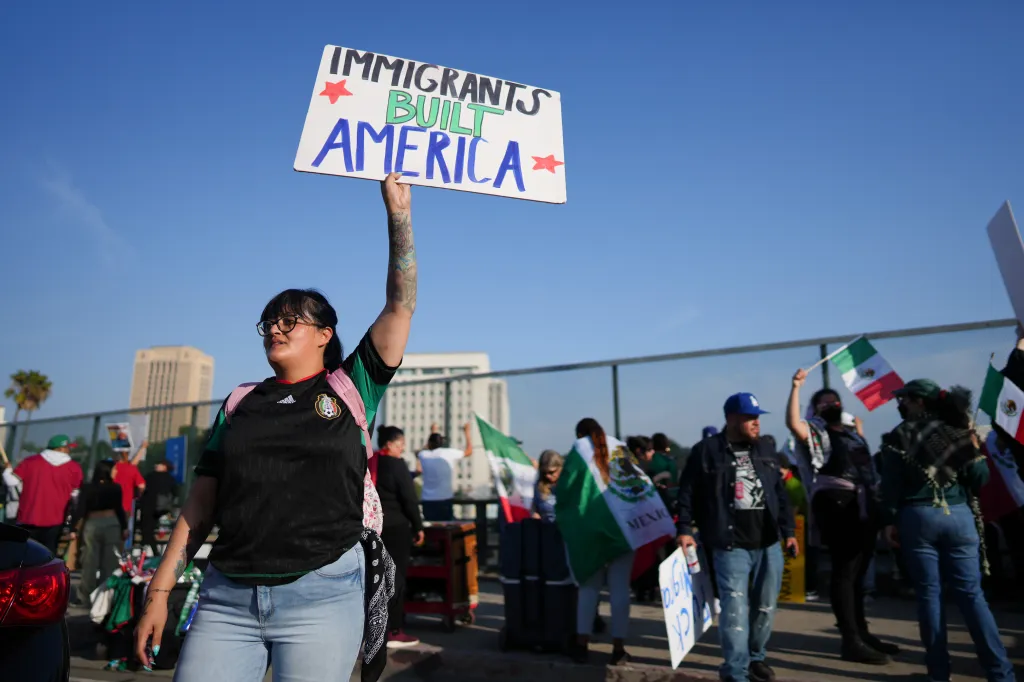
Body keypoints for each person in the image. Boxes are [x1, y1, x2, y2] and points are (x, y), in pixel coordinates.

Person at [135, 173, 416, 682]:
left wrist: (399, 216)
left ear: (325, 335)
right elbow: (200, 504)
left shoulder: (353, 386)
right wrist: (161, 591)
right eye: (271, 322)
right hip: (225, 595)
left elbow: (401, 303)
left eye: (293, 320)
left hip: (324, 593)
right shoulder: (241, 401)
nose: (278, 329)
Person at [881, 380, 1015, 682]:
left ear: (918, 402)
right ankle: (1000, 674)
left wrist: (889, 520)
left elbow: (890, 486)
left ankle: (939, 675)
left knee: (929, 596)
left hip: (917, 518)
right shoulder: (958, 432)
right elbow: (979, 477)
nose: (899, 405)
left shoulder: (899, 436)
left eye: (903, 400)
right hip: (959, 517)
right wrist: (973, 447)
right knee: (972, 595)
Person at [678, 393, 797, 682]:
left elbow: (780, 496)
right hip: (730, 545)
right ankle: (735, 671)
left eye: (757, 417)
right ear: (731, 419)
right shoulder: (707, 450)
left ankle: (756, 658)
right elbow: (686, 493)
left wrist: (789, 533)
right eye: (749, 417)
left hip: (768, 543)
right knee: (735, 610)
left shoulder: (766, 449)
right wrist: (683, 530)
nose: (756, 423)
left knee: (766, 607)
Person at [786, 371, 896, 663]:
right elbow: (793, 424)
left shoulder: (851, 435)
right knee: (845, 571)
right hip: (837, 505)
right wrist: (796, 388)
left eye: (833, 400)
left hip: (863, 505)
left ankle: (862, 632)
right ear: (816, 409)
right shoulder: (816, 432)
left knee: (860, 571)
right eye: (823, 402)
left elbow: (867, 469)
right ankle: (850, 640)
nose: (830, 404)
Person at [563, 418, 636, 666]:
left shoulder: (578, 449)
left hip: (591, 531)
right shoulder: (620, 448)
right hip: (623, 529)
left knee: (588, 589)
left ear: (579, 433)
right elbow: (637, 487)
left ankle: (582, 645)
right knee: (620, 591)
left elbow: (565, 489)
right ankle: (618, 649)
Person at [374, 425, 425, 649]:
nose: (403, 447)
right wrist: (418, 526)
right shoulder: (396, 464)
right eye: (400, 443)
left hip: (375, 527)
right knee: (396, 578)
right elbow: (409, 498)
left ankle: (374, 629)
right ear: (390, 444)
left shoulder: (371, 462)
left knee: (377, 578)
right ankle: (394, 629)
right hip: (396, 527)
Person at [11, 435, 83, 553]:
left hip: (27, 517)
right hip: (56, 520)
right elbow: (75, 497)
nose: (70, 450)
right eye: (68, 448)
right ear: (61, 449)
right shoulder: (74, 467)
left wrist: (8, 472)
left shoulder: (30, 461)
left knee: (24, 556)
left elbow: (12, 482)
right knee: (48, 557)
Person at [70, 459, 128, 605]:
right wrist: (124, 527)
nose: (116, 472)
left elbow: (81, 509)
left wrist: (73, 528)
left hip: (92, 524)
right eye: (114, 469)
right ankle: (105, 597)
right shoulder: (115, 488)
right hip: (112, 524)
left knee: (89, 560)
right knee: (110, 562)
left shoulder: (88, 488)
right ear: (107, 471)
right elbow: (119, 509)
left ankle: (84, 597)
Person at [416, 422, 473, 521]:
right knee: (445, 530)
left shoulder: (423, 455)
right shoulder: (448, 453)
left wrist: (433, 432)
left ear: (429, 443)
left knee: (431, 530)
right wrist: (467, 432)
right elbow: (469, 451)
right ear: (442, 443)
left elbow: (425, 448)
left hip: (428, 501)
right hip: (445, 500)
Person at [139, 459, 179, 553]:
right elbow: (175, 493)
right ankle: (153, 551)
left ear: (165, 466)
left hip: (149, 507)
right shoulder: (171, 479)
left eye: (159, 464)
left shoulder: (150, 476)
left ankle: (149, 551)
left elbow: (143, 489)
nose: (156, 465)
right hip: (162, 510)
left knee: (146, 531)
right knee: (150, 530)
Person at [112, 440, 147, 529]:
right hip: (125, 506)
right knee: (122, 531)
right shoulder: (131, 469)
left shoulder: (110, 468)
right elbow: (141, 486)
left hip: (108, 507)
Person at [531, 450, 563, 522]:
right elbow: (535, 507)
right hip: (546, 529)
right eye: (544, 472)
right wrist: (534, 514)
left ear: (560, 468)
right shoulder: (538, 486)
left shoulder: (568, 485)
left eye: (551, 472)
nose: (548, 476)